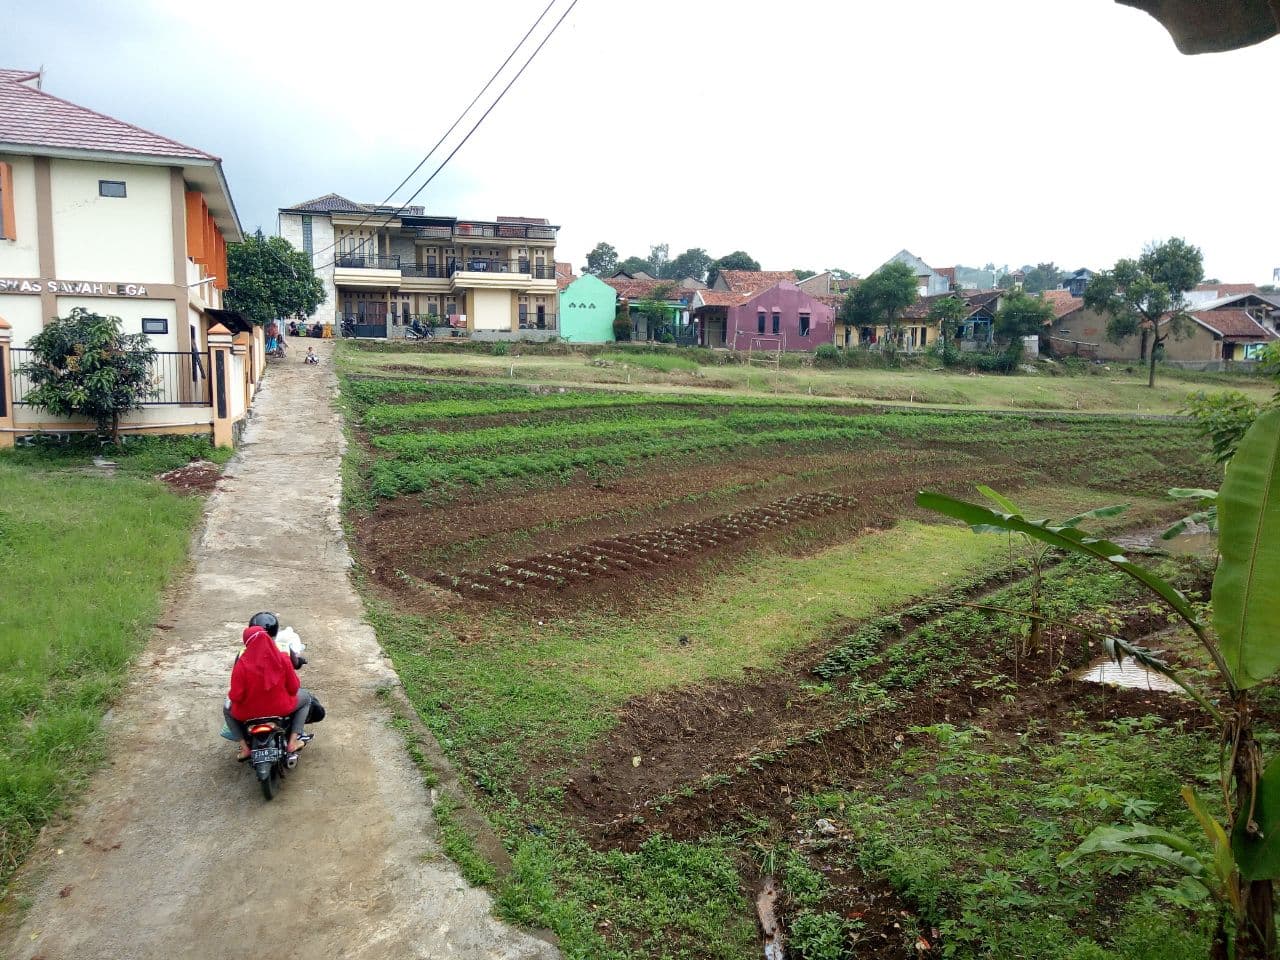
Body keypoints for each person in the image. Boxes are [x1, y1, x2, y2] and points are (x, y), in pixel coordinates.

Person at [223, 612, 312, 760]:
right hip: (281, 708)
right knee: (306, 699)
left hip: (247, 713)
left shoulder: (241, 663)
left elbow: (236, 696)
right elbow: (293, 687)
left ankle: (245, 748)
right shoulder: (283, 657)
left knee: (226, 710)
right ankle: (293, 741)